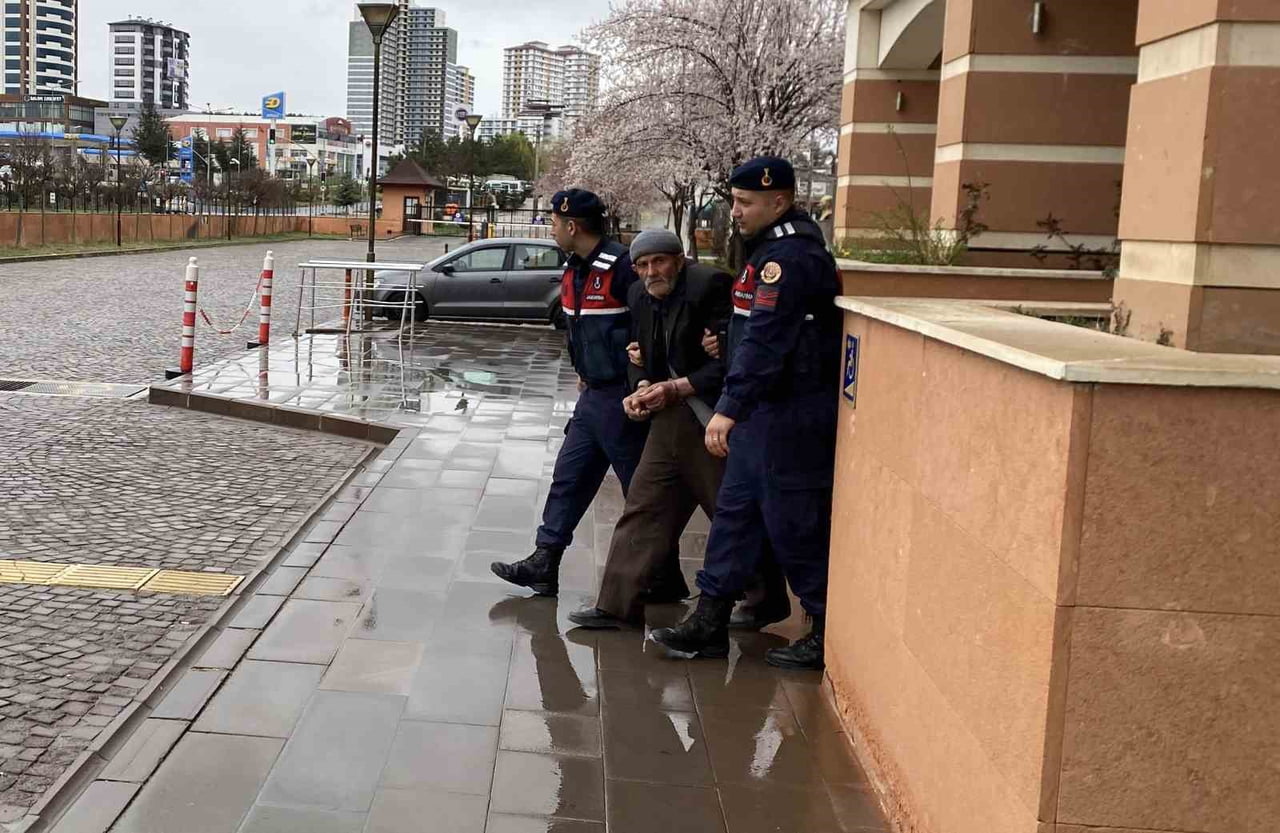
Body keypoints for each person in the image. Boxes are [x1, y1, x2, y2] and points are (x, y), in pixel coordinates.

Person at [651, 156, 842, 670]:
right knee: (734, 519)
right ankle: (709, 621)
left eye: (744, 202)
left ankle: (825, 630)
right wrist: (723, 346)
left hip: (787, 417)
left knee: (793, 525)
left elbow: (768, 340)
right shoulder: (767, 252)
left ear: (778, 201)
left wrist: (727, 408)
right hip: (763, 415)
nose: (734, 211)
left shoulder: (791, 257)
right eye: (734, 200)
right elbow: (750, 330)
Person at [566, 229, 788, 629]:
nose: (652, 272)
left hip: (710, 414)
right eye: (643, 265)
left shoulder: (710, 286)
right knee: (644, 505)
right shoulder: (638, 295)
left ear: (679, 260)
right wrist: (639, 387)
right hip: (668, 416)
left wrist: (677, 386)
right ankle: (617, 606)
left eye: (660, 262)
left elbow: (731, 361)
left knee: (727, 508)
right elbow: (637, 351)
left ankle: (766, 598)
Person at [491, 190, 683, 599]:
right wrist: (582, 370)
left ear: (572, 225)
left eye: (554, 222)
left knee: (641, 490)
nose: (552, 228)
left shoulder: (622, 268)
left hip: (624, 397)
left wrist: (645, 378)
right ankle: (545, 561)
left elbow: (653, 323)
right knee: (570, 477)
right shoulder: (574, 269)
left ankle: (664, 576)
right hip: (593, 394)